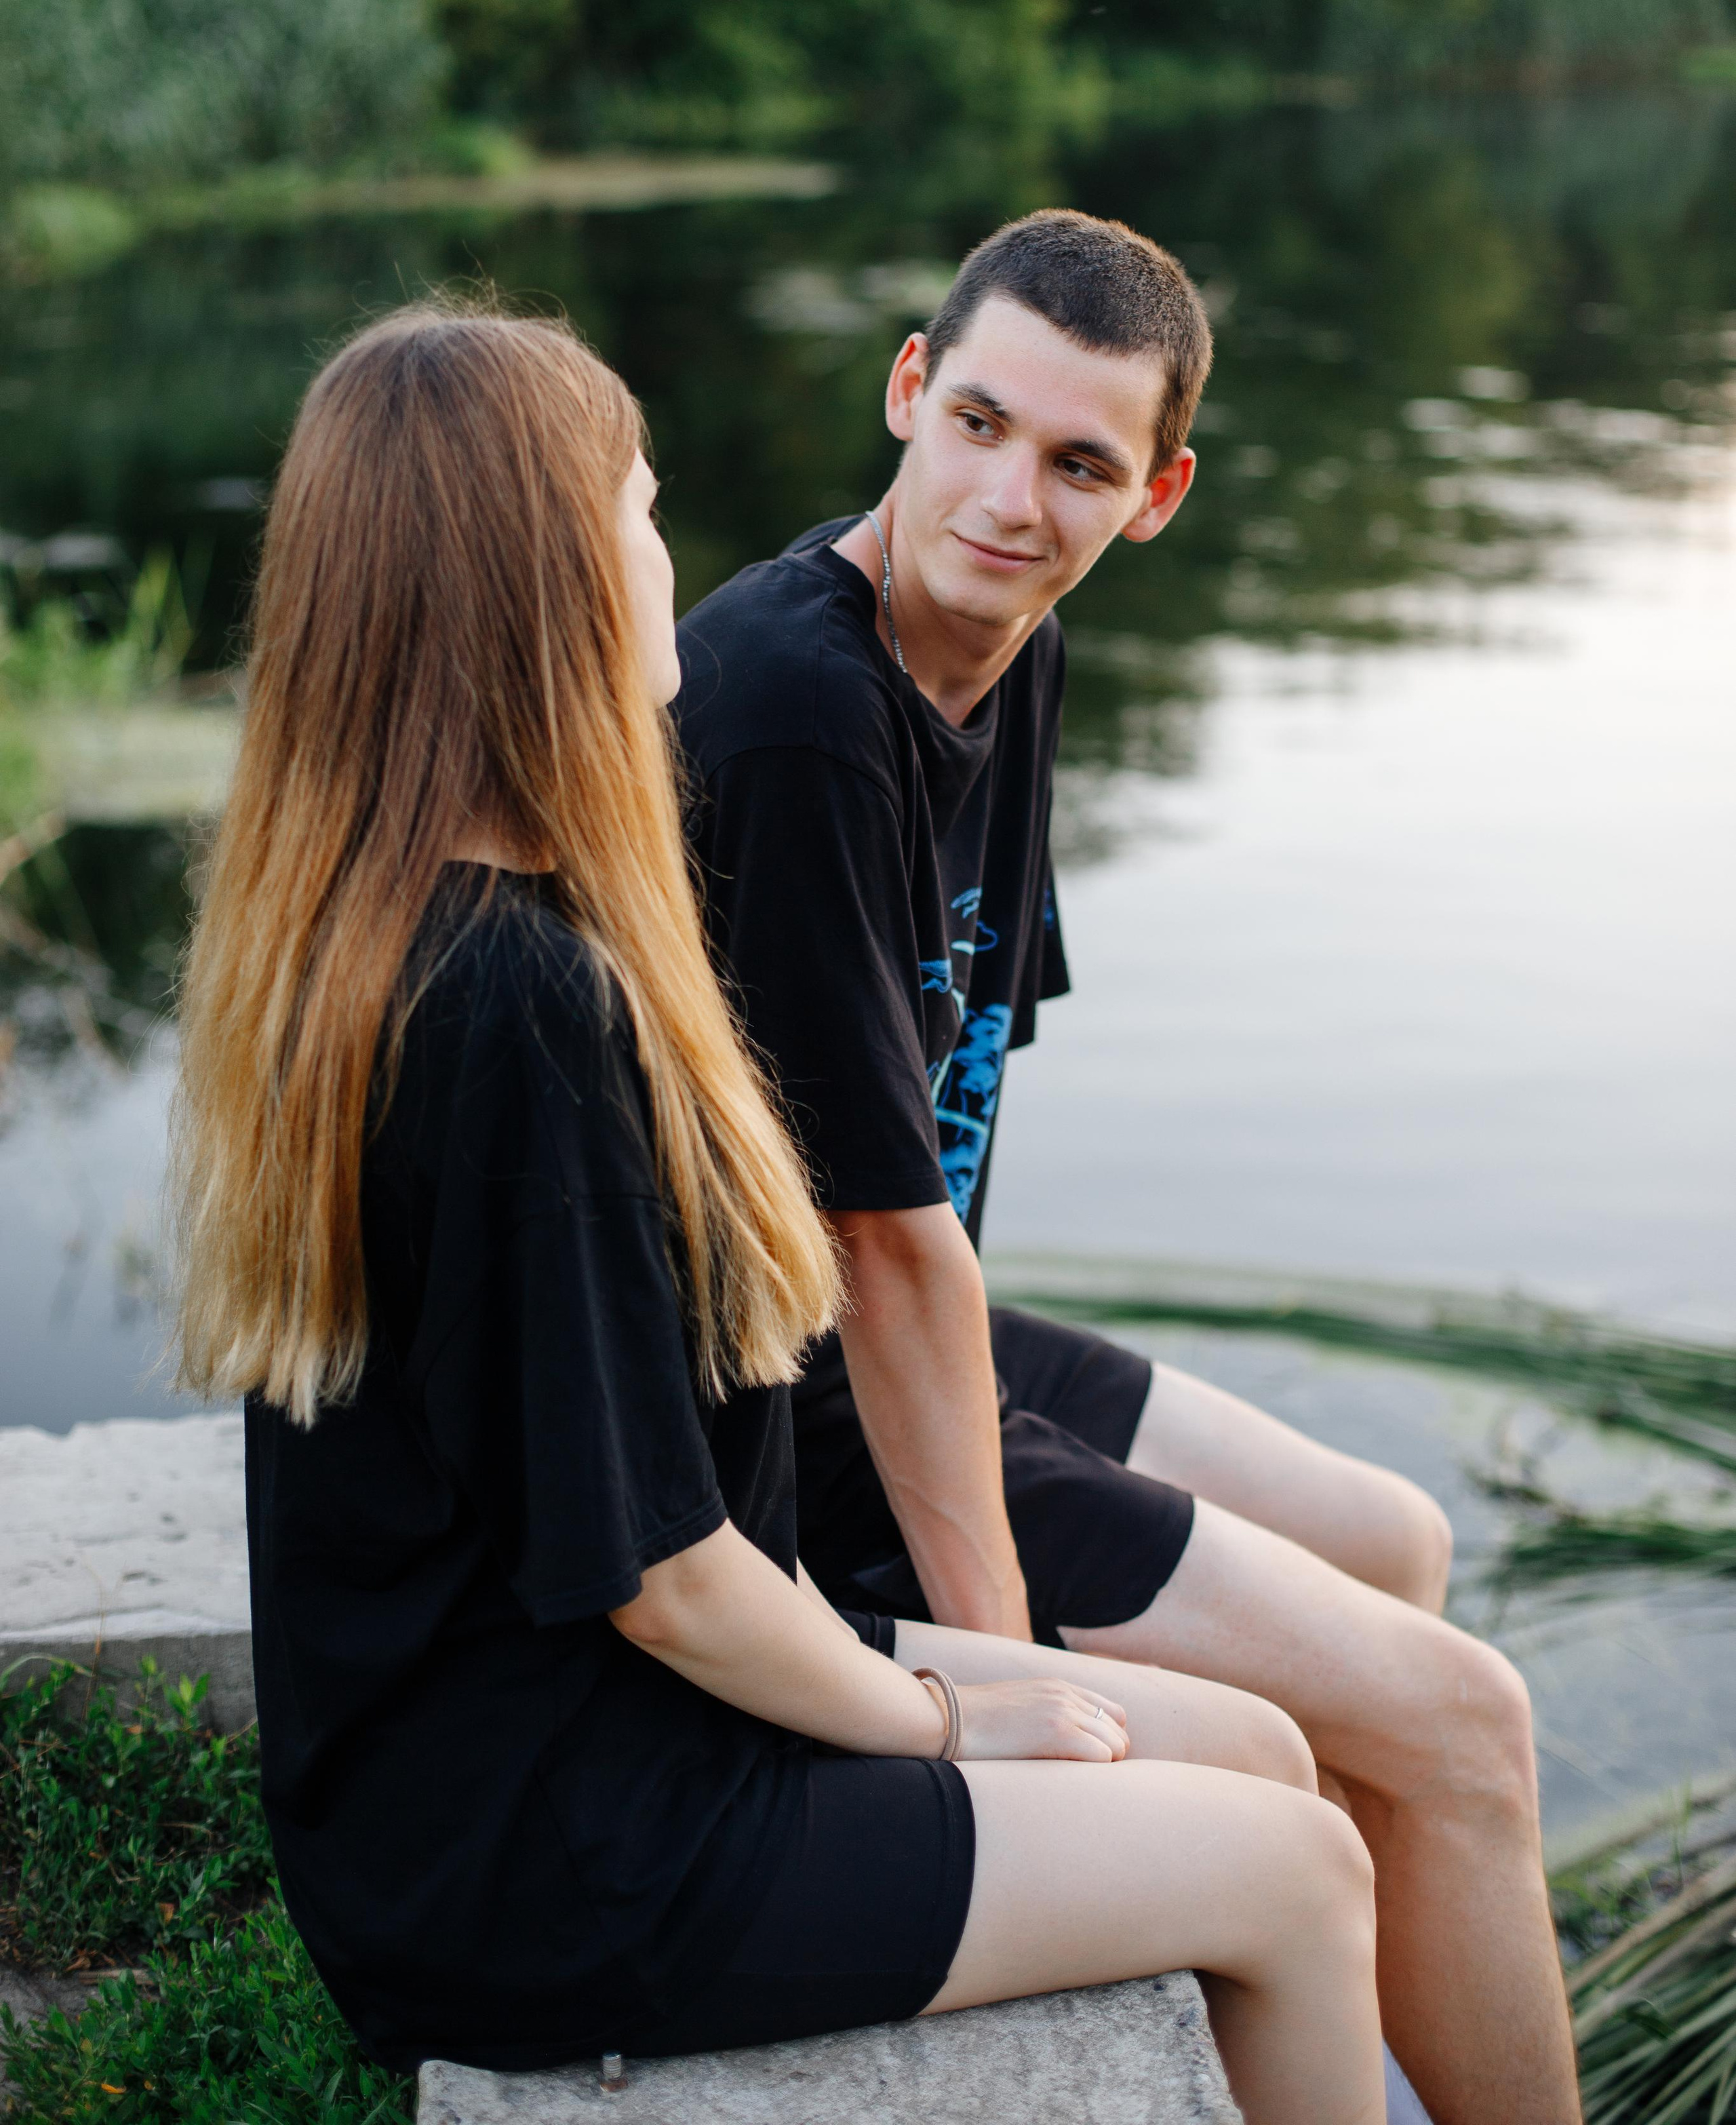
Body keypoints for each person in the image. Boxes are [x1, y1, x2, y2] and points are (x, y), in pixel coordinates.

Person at [168, 300, 1385, 2120]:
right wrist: (947, 1711)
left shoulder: (417, 916)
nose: (678, 553)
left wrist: (954, 1673)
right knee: (1303, 1877)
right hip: (558, 1843)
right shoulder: (512, 1011)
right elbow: (659, 1576)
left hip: (574, 1728)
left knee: (1268, 1749)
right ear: (554, 573)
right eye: (641, 509)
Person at [675, 213, 1582, 2125]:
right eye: (983, 424)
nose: (1012, 501)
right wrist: (1006, 1690)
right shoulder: (792, 704)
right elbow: (889, 1247)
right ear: (910, 389)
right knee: (1470, 1724)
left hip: (919, 1337)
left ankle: (1316, 2024)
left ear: (1155, 494)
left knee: (1397, 1544)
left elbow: (960, 1105)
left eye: (1081, 465)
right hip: (789, 1419)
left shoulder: (1011, 650)